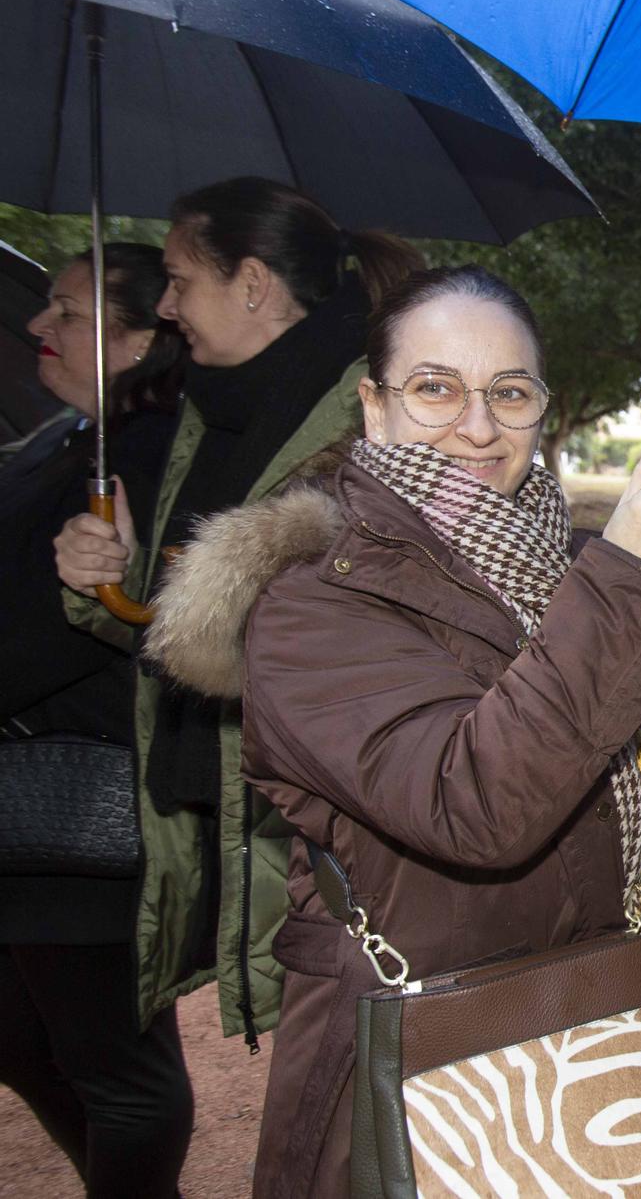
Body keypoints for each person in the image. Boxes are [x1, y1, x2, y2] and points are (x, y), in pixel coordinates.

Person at [138, 265, 641, 1196]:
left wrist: (605, 579)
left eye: (510, 392)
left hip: (578, 1025)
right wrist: (623, 579)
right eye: (436, 388)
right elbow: (475, 804)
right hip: (408, 1067)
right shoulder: (312, 605)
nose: (477, 426)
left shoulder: (548, 567)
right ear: (374, 408)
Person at [51, 177, 422, 1057]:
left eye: (180, 279)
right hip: (239, 818)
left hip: (338, 839)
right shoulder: (212, 414)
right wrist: (102, 582)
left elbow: (337, 640)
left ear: (252, 284)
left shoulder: (371, 418)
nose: (168, 303)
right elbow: (183, 635)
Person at [0, 244, 190, 1197]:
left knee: (123, 1075)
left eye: (68, 312)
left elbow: (71, 629)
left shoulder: (148, 455)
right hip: (24, 813)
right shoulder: (66, 437)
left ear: (138, 338)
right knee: (20, 1034)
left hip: (81, 809)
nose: (40, 325)